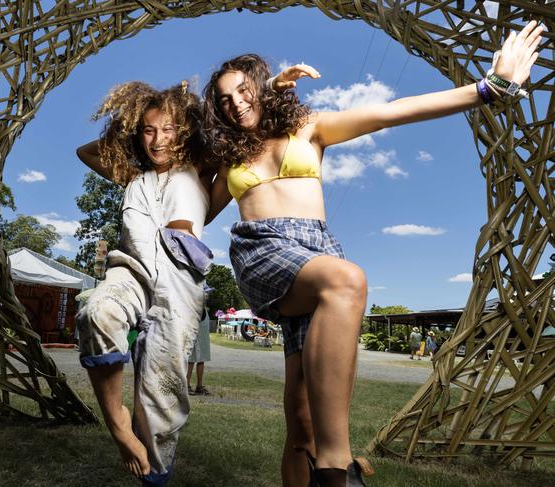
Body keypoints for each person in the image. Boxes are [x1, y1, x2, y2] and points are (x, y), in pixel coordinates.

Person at [201, 21, 542, 487]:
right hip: (263, 251)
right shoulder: (227, 158)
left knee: (301, 420)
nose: (235, 103)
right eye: (224, 99)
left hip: (315, 250)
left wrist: (488, 88)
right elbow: (191, 209)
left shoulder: (309, 128)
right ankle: (337, 468)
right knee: (348, 281)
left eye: (243, 90)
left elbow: (390, 112)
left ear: (261, 88)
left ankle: (319, 463)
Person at [75, 81, 213, 485]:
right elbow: (86, 152)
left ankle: (153, 475)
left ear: (185, 130)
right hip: (132, 272)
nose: (157, 140)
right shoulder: (134, 177)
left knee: (160, 400)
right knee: (98, 312)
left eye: (168, 129)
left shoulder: (202, 171)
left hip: (179, 284)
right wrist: (128, 120)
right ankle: (118, 425)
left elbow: (227, 143)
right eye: (149, 130)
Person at [187, 306, 212, 396]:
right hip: (193, 318)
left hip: (203, 317)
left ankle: (199, 386)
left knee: (202, 357)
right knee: (191, 358)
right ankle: (186, 385)